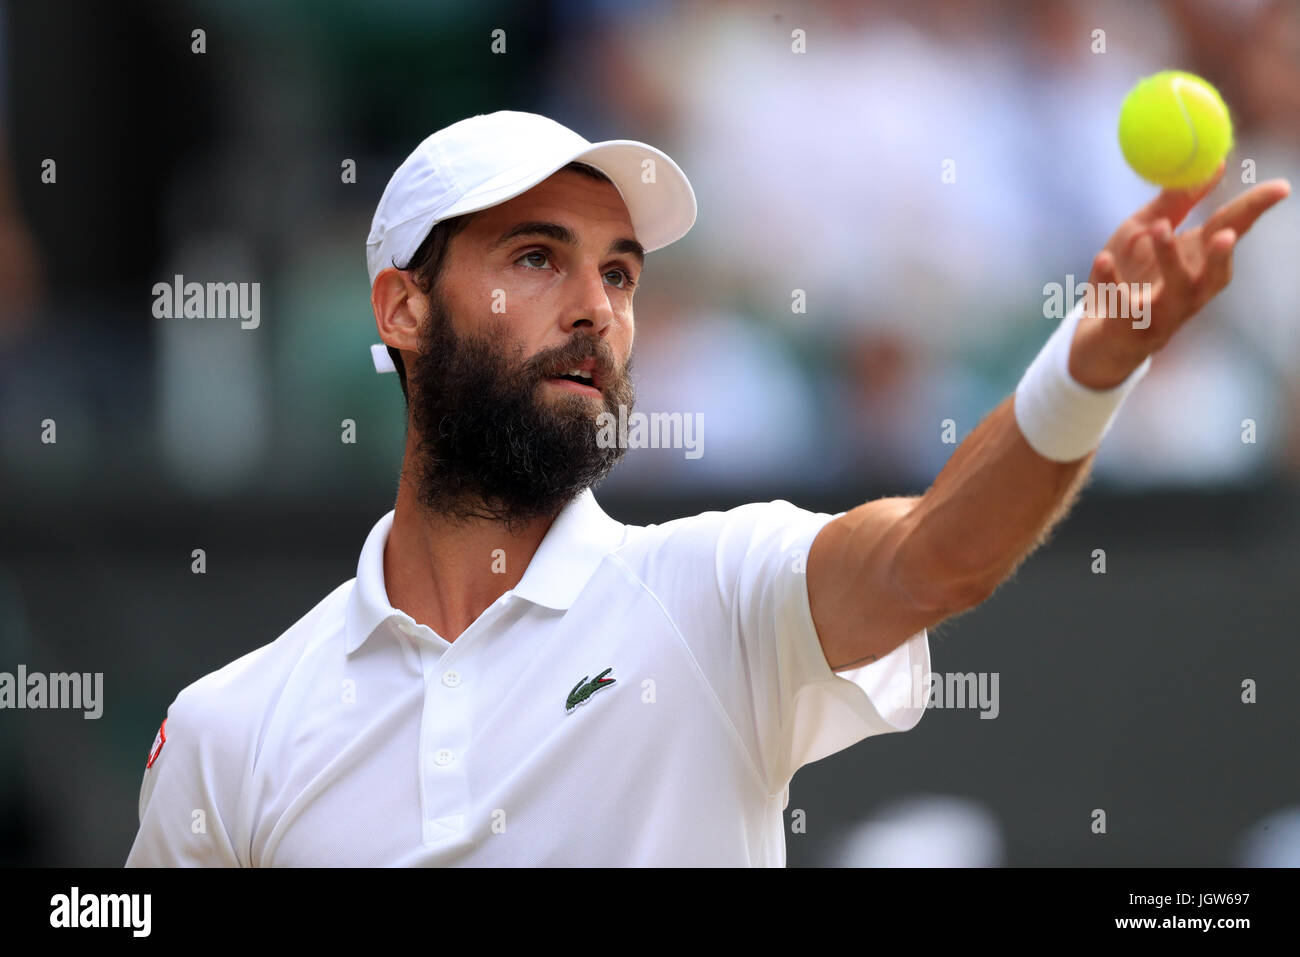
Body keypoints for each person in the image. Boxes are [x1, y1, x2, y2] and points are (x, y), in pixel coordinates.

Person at [125, 110, 1289, 867]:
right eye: (537, 258)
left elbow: (941, 553)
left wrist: (1088, 367)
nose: (597, 309)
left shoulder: (714, 591)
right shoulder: (231, 730)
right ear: (402, 309)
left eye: (619, 274)